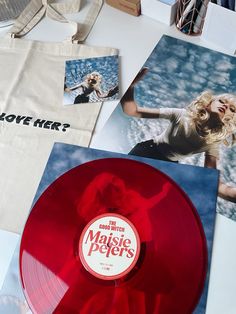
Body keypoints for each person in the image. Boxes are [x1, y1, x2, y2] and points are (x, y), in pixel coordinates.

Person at [121, 67, 236, 203]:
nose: (225, 106)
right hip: (146, 151)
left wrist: (232, 194)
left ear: (231, 119)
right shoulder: (181, 115)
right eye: (222, 101)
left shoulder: (213, 142)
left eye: (232, 109)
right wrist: (130, 85)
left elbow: (213, 182)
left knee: (139, 200)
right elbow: (131, 110)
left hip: (169, 166)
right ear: (208, 104)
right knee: (120, 183)